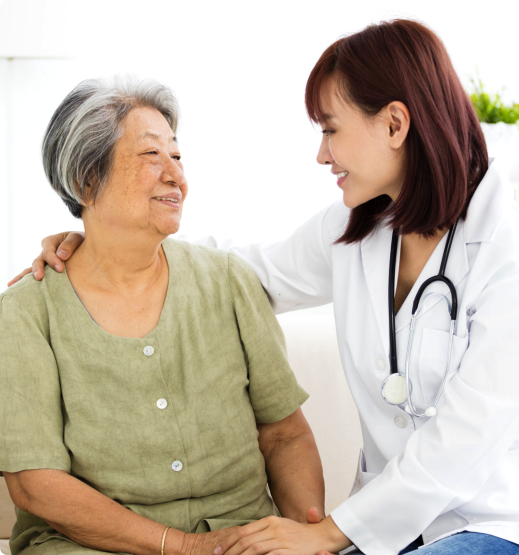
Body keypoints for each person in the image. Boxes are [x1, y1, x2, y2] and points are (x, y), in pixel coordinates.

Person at [12, 19, 519, 555]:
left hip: (502, 520)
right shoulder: (358, 230)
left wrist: (331, 532)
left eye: (331, 129)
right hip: (395, 528)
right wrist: (99, 242)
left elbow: (461, 446)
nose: (322, 153)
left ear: (394, 124)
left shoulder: (516, 265)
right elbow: (241, 273)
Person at [0, 77, 326, 555]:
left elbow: (284, 434)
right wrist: (184, 547)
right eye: (152, 156)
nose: (176, 176)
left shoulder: (229, 280)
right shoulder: (26, 313)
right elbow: (35, 483)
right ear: (85, 181)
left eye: (178, 157)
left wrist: (307, 536)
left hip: (241, 536)